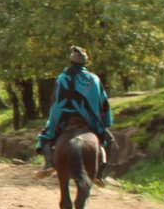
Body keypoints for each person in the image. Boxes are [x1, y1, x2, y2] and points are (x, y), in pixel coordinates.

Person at [35, 45, 117, 182]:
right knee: (109, 140)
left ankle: (49, 164)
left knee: (45, 137)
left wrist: (54, 119)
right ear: (85, 63)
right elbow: (103, 103)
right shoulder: (94, 79)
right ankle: (99, 174)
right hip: (89, 120)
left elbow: (56, 101)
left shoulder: (62, 78)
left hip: (65, 119)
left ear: (71, 62)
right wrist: (105, 122)